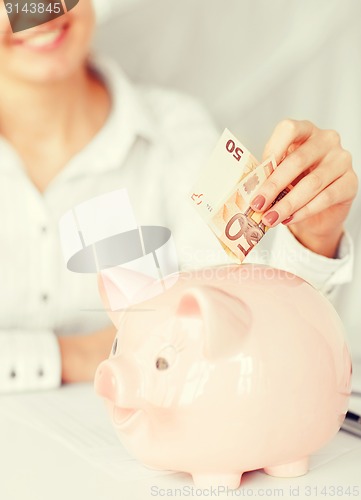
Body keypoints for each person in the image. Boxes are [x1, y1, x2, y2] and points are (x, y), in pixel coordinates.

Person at [0, 0, 357, 393]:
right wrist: (76, 356)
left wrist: (316, 237)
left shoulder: (180, 131)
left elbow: (250, 335)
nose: (38, 10)